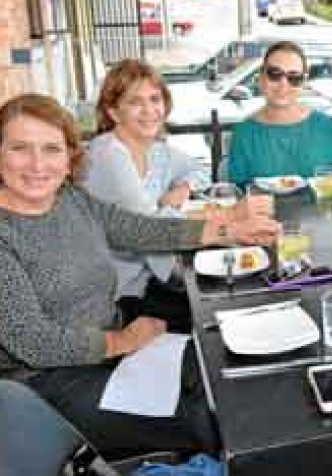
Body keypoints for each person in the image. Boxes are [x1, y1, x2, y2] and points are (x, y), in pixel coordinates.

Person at [0, 93, 279, 457]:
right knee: (217, 418)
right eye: (20, 148)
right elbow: (34, 342)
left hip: (113, 351)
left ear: (70, 158)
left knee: (226, 369)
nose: (37, 164)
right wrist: (122, 341)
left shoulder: (71, 200)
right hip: (47, 386)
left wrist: (228, 231)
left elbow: (138, 228)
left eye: (51, 149)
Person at [82, 59, 214, 329]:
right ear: (114, 112)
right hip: (114, 299)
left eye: (155, 99)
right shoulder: (107, 154)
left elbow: (200, 168)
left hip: (147, 280)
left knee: (218, 304)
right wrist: (224, 226)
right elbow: (151, 232)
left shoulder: (155, 150)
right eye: (135, 102)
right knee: (211, 319)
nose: (150, 110)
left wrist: (182, 190)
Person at [227, 40, 332, 187]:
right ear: (261, 78)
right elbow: (238, 192)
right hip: (265, 218)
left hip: (320, 215)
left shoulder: (323, 127)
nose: (283, 84)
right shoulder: (244, 134)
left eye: (294, 78)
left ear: (303, 84)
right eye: (274, 74)